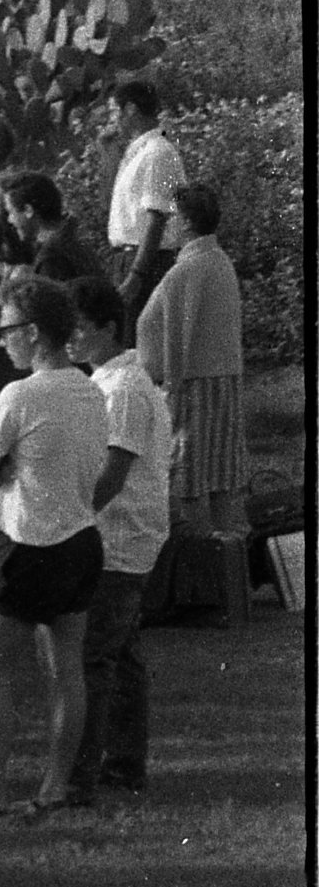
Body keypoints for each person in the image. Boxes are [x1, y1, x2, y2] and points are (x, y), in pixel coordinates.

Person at [0, 273, 111, 828]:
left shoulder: (19, 394)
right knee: (65, 669)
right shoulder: (92, 388)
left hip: (27, 541)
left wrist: (11, 471)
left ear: (32, 332)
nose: (2, 341)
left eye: (6, 331)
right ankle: (52, 788)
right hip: (79, 538)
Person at [60, 284, 168, 811]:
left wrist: (73, 519)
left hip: (120, 536)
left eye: (79, 326)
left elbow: (114, 471)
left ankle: (82, 773)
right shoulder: (109, 380)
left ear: (106, 327)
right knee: (121, 656)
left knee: (93, 657)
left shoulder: (122, 387)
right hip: (124, 531)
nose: (72, 338)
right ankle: (123, 764)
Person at [138, 187, 249, 615]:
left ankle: (208, 576)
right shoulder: (215, 260)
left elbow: (177, 335)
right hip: (218, 378)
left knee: (190, 472)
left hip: (197, 382)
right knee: (217, 471)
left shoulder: (192, 268)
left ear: (186, 222)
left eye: (173, 217)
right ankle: (226, 572)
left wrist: (174, 389)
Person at [97, 84, 189, 317]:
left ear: (130, 109)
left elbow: (156, 217)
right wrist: (108, 154)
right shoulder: (136, 153)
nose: (111, 119)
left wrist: (137, 275)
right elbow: (109, 206)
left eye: (113, 111)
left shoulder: (158, 153)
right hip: (127, 258)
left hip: (146, 262)